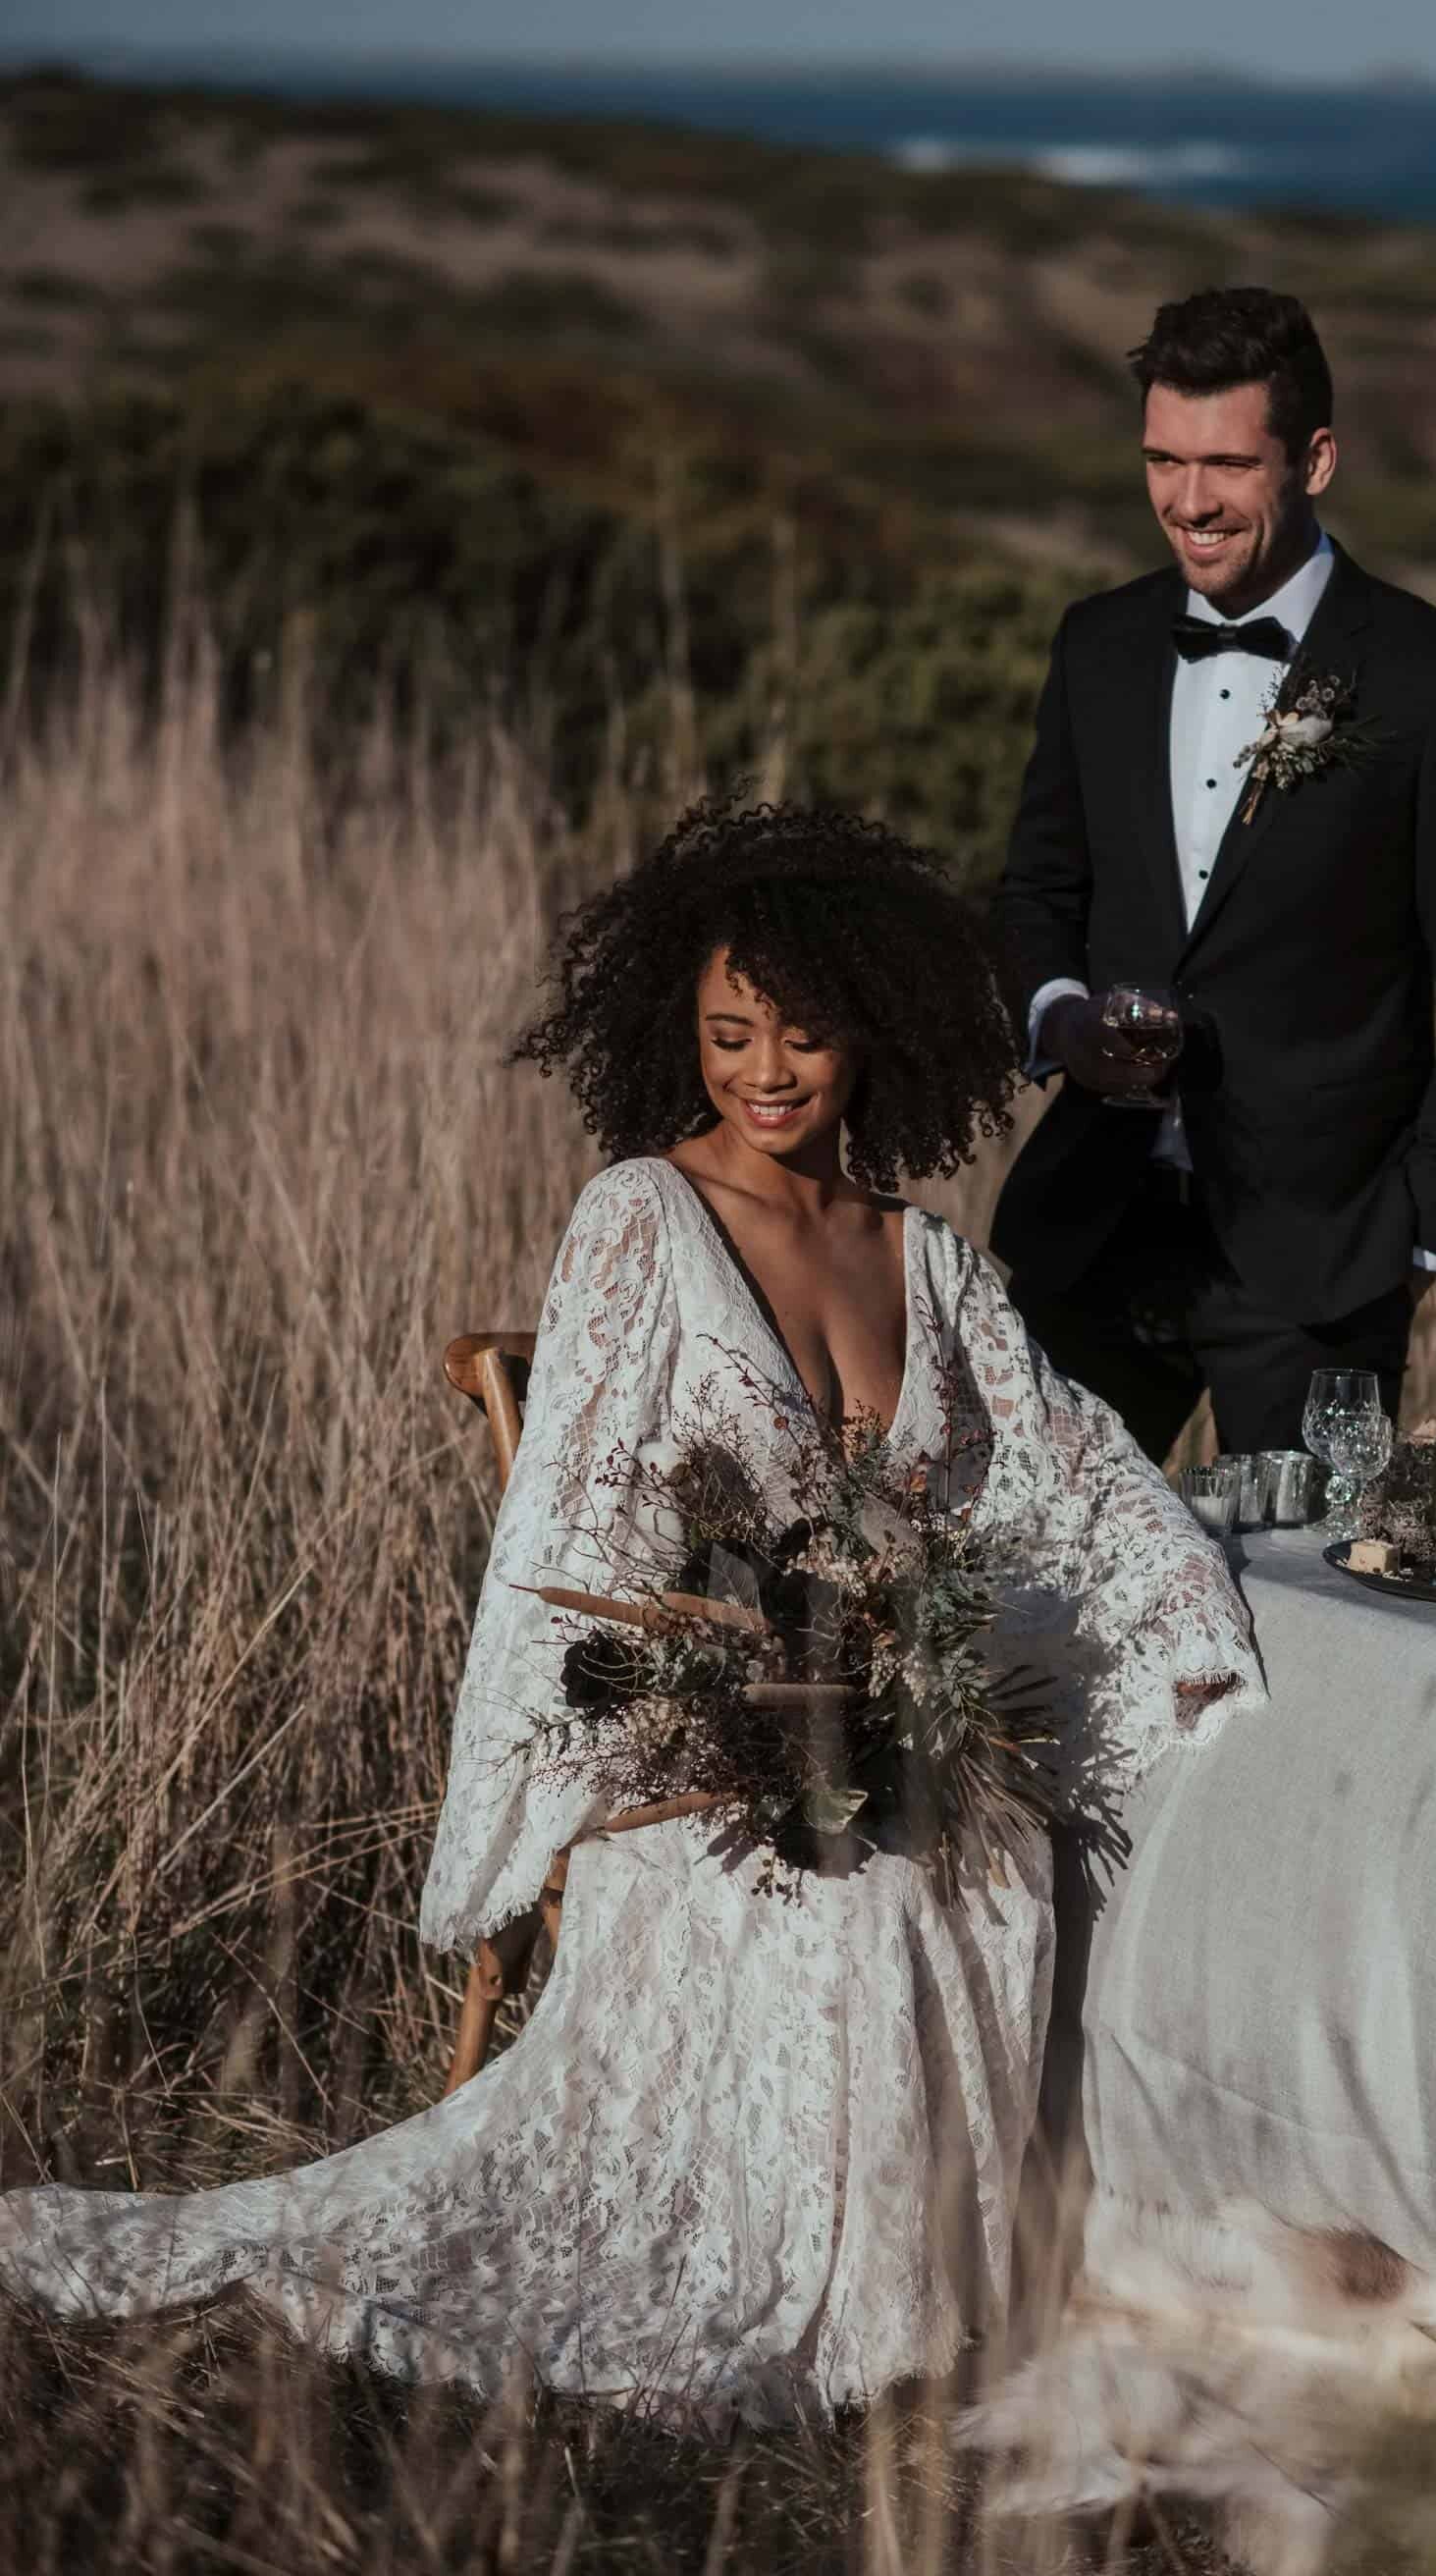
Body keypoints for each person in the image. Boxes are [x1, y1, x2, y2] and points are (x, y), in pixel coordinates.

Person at [0, 800, 1261, 2422]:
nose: (763, 1073)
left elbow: (1062, 1468)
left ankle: (997, 2256)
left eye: (803, 1038)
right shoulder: (640, 1221)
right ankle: (831, 2298)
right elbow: (572, 1518)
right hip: (699, 1751)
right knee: (850, 1895)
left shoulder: (926, 1259)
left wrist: (1187, 1618)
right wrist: (602, 1769)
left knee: (1003, 1856)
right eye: (729, 1034)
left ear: (873, 1037)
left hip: (886, 1730)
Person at [992, 287, 1436, 1462]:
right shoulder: (1094, 644)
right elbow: (1038, 892)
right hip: (1091, 1235)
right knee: (1027, 1602)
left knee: (1314, 1633)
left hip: (1321, 1273)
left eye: (1225, 466)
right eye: (1160, 459)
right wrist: (1060, 1017)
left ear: (1316, 459)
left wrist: (1420, 1245)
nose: (1187, 503)